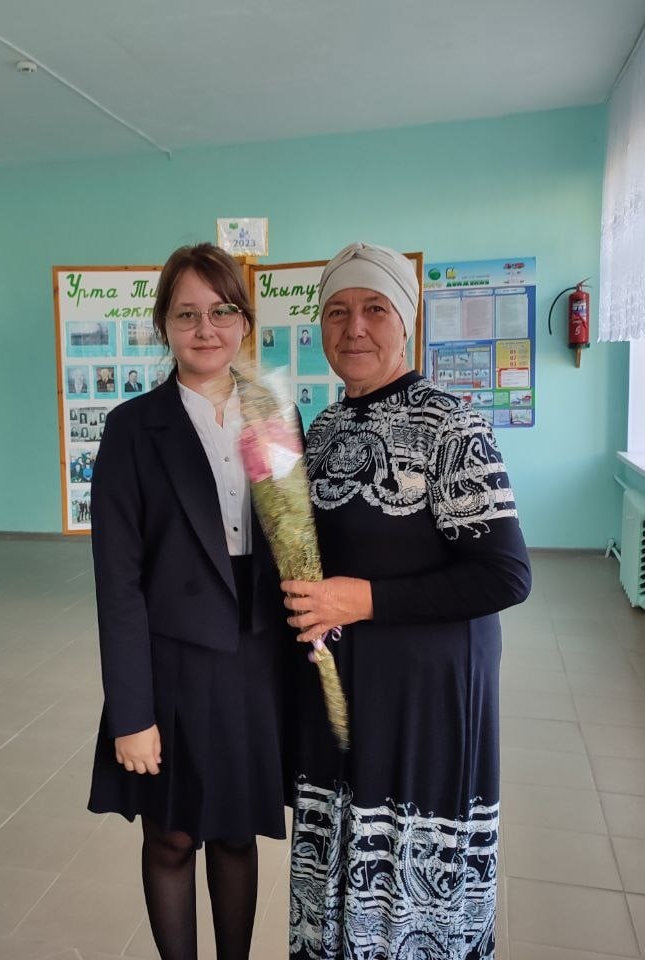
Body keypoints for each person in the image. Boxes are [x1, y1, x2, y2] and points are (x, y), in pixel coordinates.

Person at [282, 242, 531, 960]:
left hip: (427, 701)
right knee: (337, 878)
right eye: (337, 312)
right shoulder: (325, 430)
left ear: (407, 322)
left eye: (374, 309)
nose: (354, 327)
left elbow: (506, 575)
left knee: (408, 892)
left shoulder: (452, 425)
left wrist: (366, 601)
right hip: (342, 697)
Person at [88, 243, 290, 960]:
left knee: (235, 833)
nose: (206, 329)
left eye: (222, 311)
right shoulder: (132, 428)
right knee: (172, 836)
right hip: (170, 662)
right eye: (187, 314)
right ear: (164, 326)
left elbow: (294, 545)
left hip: (253, 658)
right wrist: (132, 715)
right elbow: (117, 584)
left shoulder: (275, 416)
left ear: (244, 321)